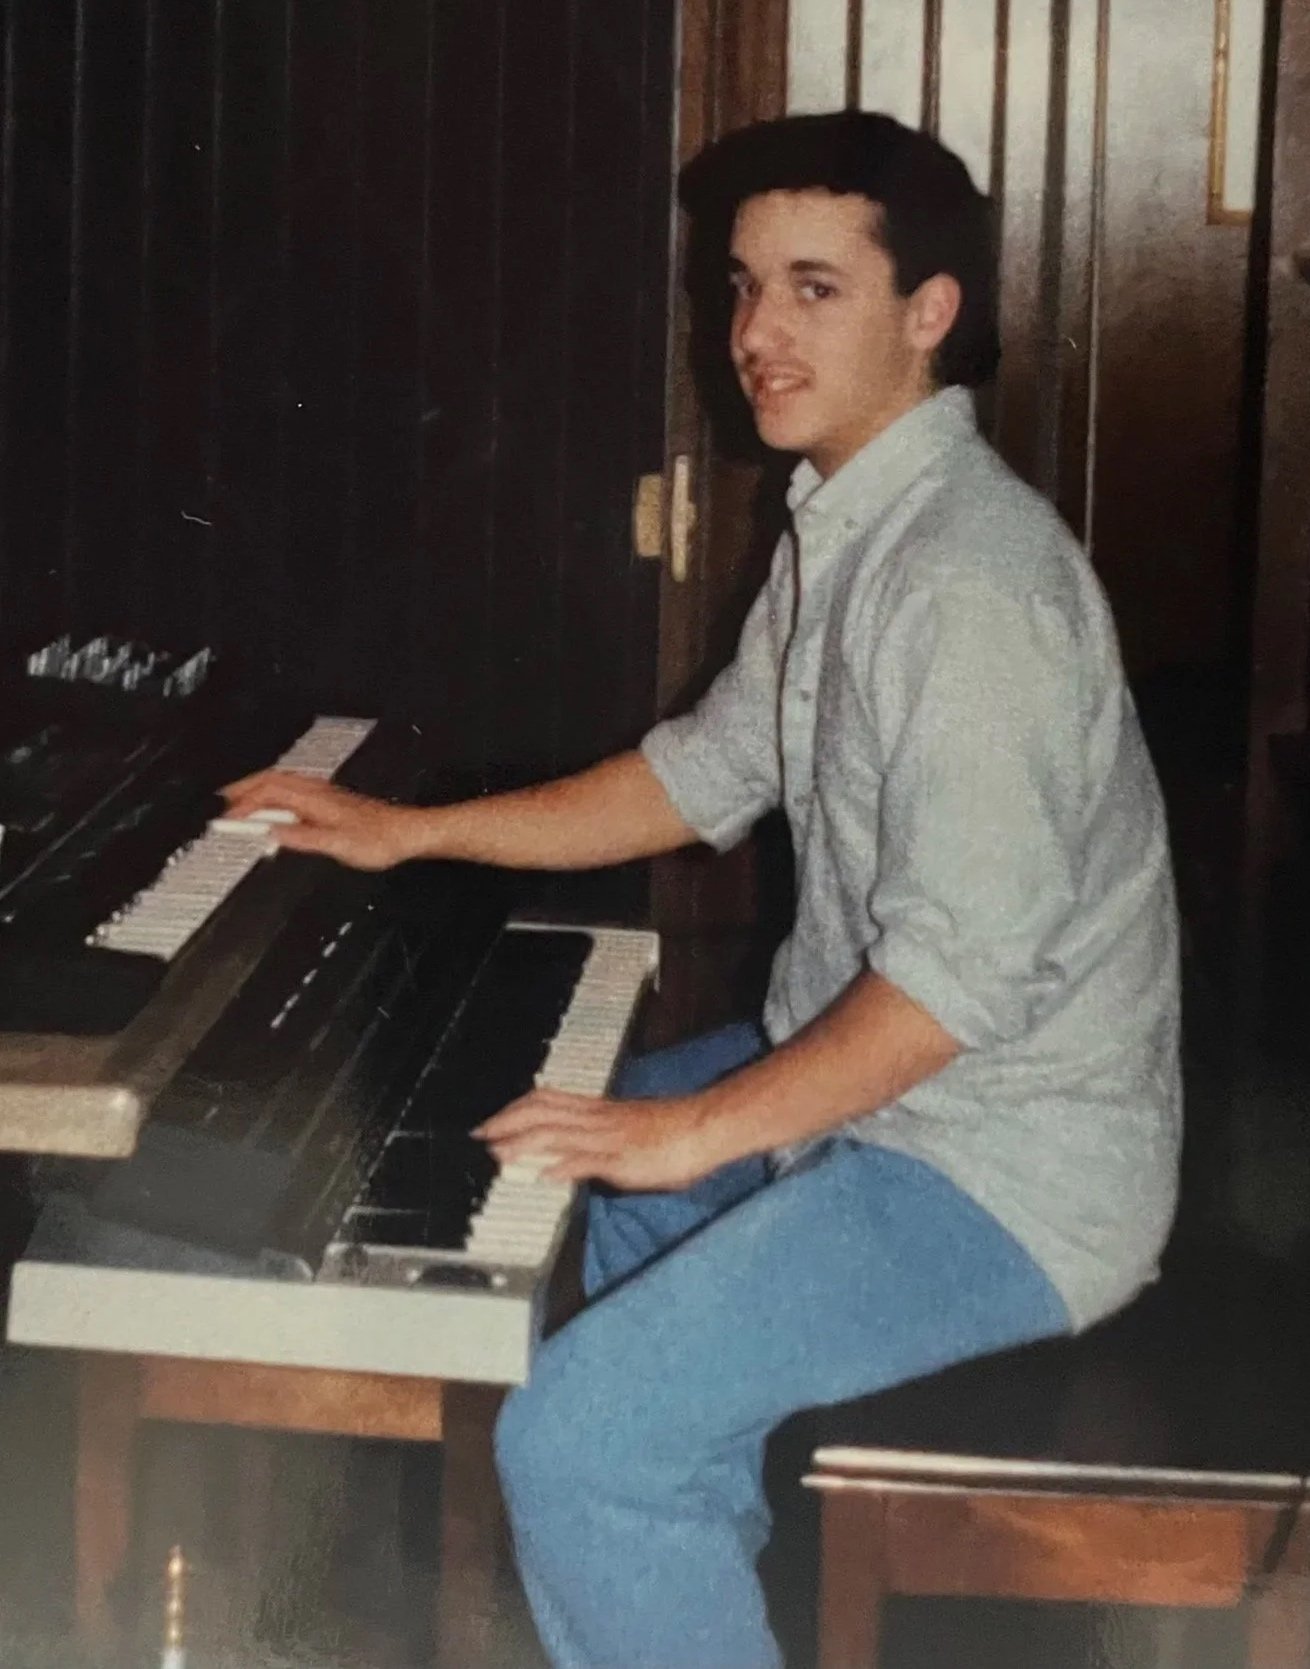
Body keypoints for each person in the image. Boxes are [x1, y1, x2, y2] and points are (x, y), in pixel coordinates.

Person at [225, 110, 1181, 1669]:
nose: (752, 334)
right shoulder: (851, 521)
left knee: (579, 1436)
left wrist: (682, 1129)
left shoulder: (966, 586)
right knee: (605, 1195)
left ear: (927, 312)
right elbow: (696, 773)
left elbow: (956, 986)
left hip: (1004, 1166)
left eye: (812, 288)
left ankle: (647, 1530)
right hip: (888, 1098)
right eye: (740, 288)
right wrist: (409, 828)